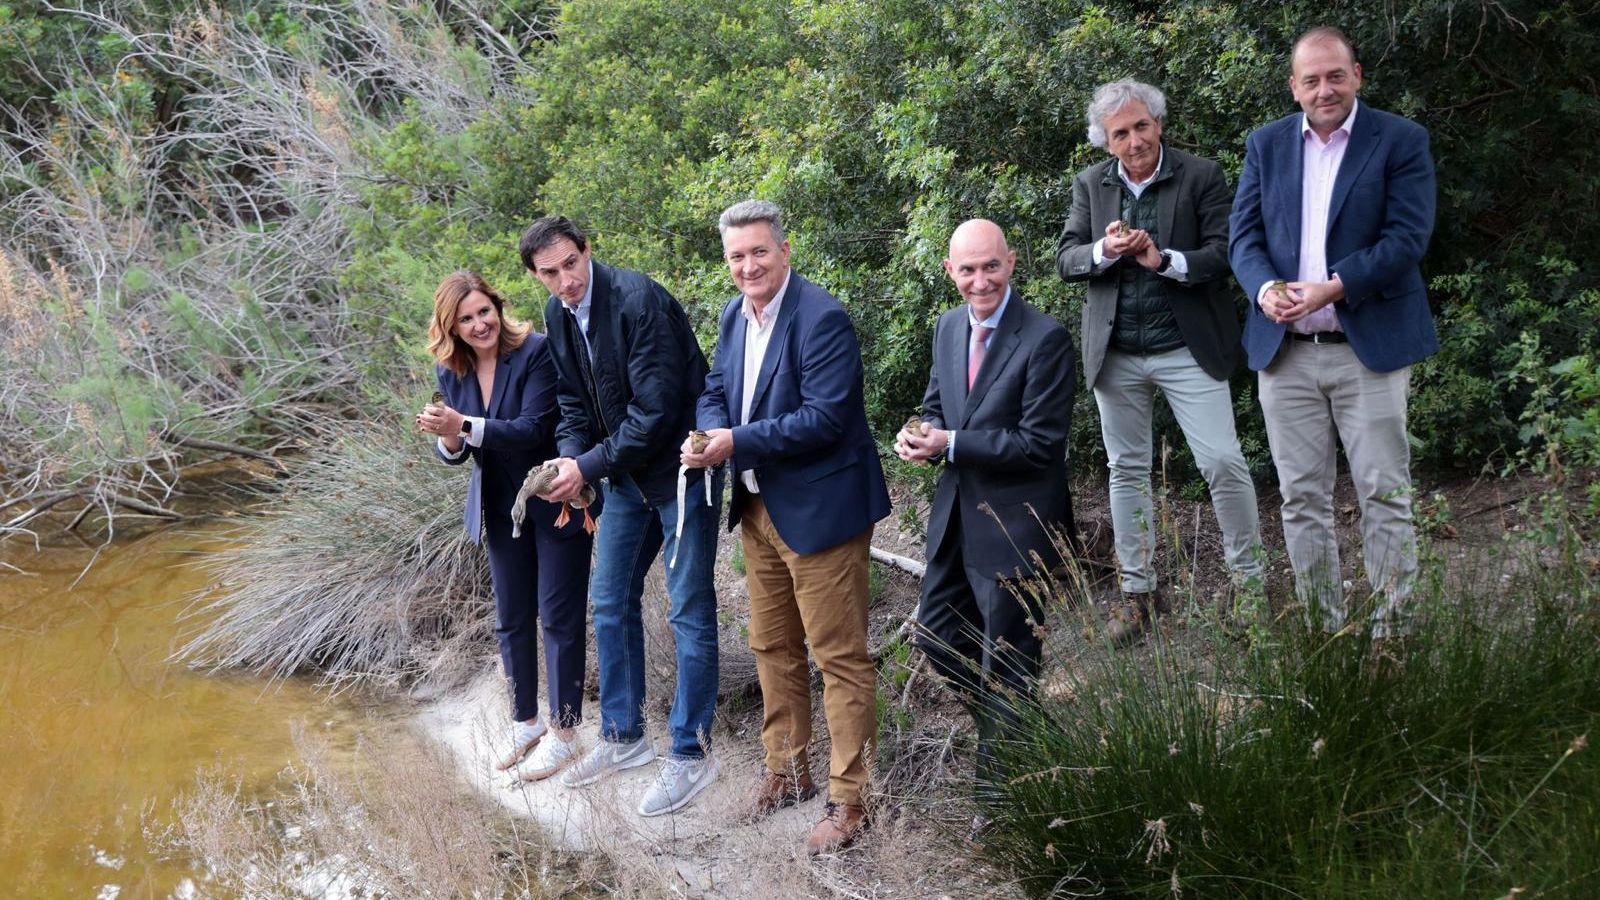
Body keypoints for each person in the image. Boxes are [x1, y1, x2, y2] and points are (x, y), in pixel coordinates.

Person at [681, 199, 890, 856]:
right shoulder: (732, 316)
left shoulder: (822, 318)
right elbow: (714, 387)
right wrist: (708, 429)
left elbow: (824, 419)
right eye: (737, 256)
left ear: (784, 250)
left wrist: (733, 439)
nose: (749, 266)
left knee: (839, 658)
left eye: (759, 252)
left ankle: (849, 800)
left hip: (821, 512)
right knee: (773, 648)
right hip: (757, 511)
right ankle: (788, 772)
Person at [1229, 27, 1437, 643]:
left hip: (1366, 352)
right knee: (1301, 501)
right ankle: (1328, 632)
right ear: (1294, 87)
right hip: (1285, 356)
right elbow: (1244, 239)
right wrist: (1266, 289)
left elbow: (1407, 239)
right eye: (1312, 80)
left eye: (1335, 75)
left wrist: (1333, 287)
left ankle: (1393, 634)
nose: (1325, 89)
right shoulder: (1266, 146)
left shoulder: (1400, 140)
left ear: (1358, 75)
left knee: (1384, 494)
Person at [518, 216, 725, 818]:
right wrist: (569, 457)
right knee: (608, 600)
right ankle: (624, 738)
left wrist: (587, 468)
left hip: (684, 469)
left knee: (688, 607)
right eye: (550, 273)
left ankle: (692, 752)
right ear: (536, 275)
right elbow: (572, 404)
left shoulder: (639, 300)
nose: (565, 280)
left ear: (588, 250)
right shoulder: (560, 316)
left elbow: (658, 411)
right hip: (628, 477)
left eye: (570, 264)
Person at [1056, 79, 1265, 643]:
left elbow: (1225, 253)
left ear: (1159, 124)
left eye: (1141, 126)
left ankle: (1250, 589)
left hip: (1186, 346)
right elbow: (1067, 257)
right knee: (1126, 472)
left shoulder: (1200, 175)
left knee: (1222, 461)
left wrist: (1161, 258)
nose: (1134, 140)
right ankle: (1138, 593)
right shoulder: (1090, 185)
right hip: (1117, 352)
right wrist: (1105, 250)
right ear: (1105, 141)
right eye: (1120, 133)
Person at [895, 219, 1076, 799]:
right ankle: (1031, 734)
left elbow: (1039, 444)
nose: (980, 281)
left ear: (1012, 263)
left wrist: (949, 443)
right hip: (955, 522)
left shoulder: (1045, 338)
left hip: (1016, 526)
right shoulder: (949, 328)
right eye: (967, 269)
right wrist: (918, 436)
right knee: (936, 636)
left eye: (990, 266)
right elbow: (936, 406)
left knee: (1010, 664)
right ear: (949, 272)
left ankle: (998, 802)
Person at [417, 271, 593, 778]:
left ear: (498, 307)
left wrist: (463, 427)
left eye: (484, 312)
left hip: (554, 497)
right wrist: (448, 439)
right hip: (498, 506)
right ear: (450, 327)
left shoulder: (535, 351)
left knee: (558, 616)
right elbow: (457, 451)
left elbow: (534, 429)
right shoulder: (452, 372)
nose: (479, 325)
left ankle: (564, 733)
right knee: (512, 617)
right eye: (465, 319)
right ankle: (526, 722)